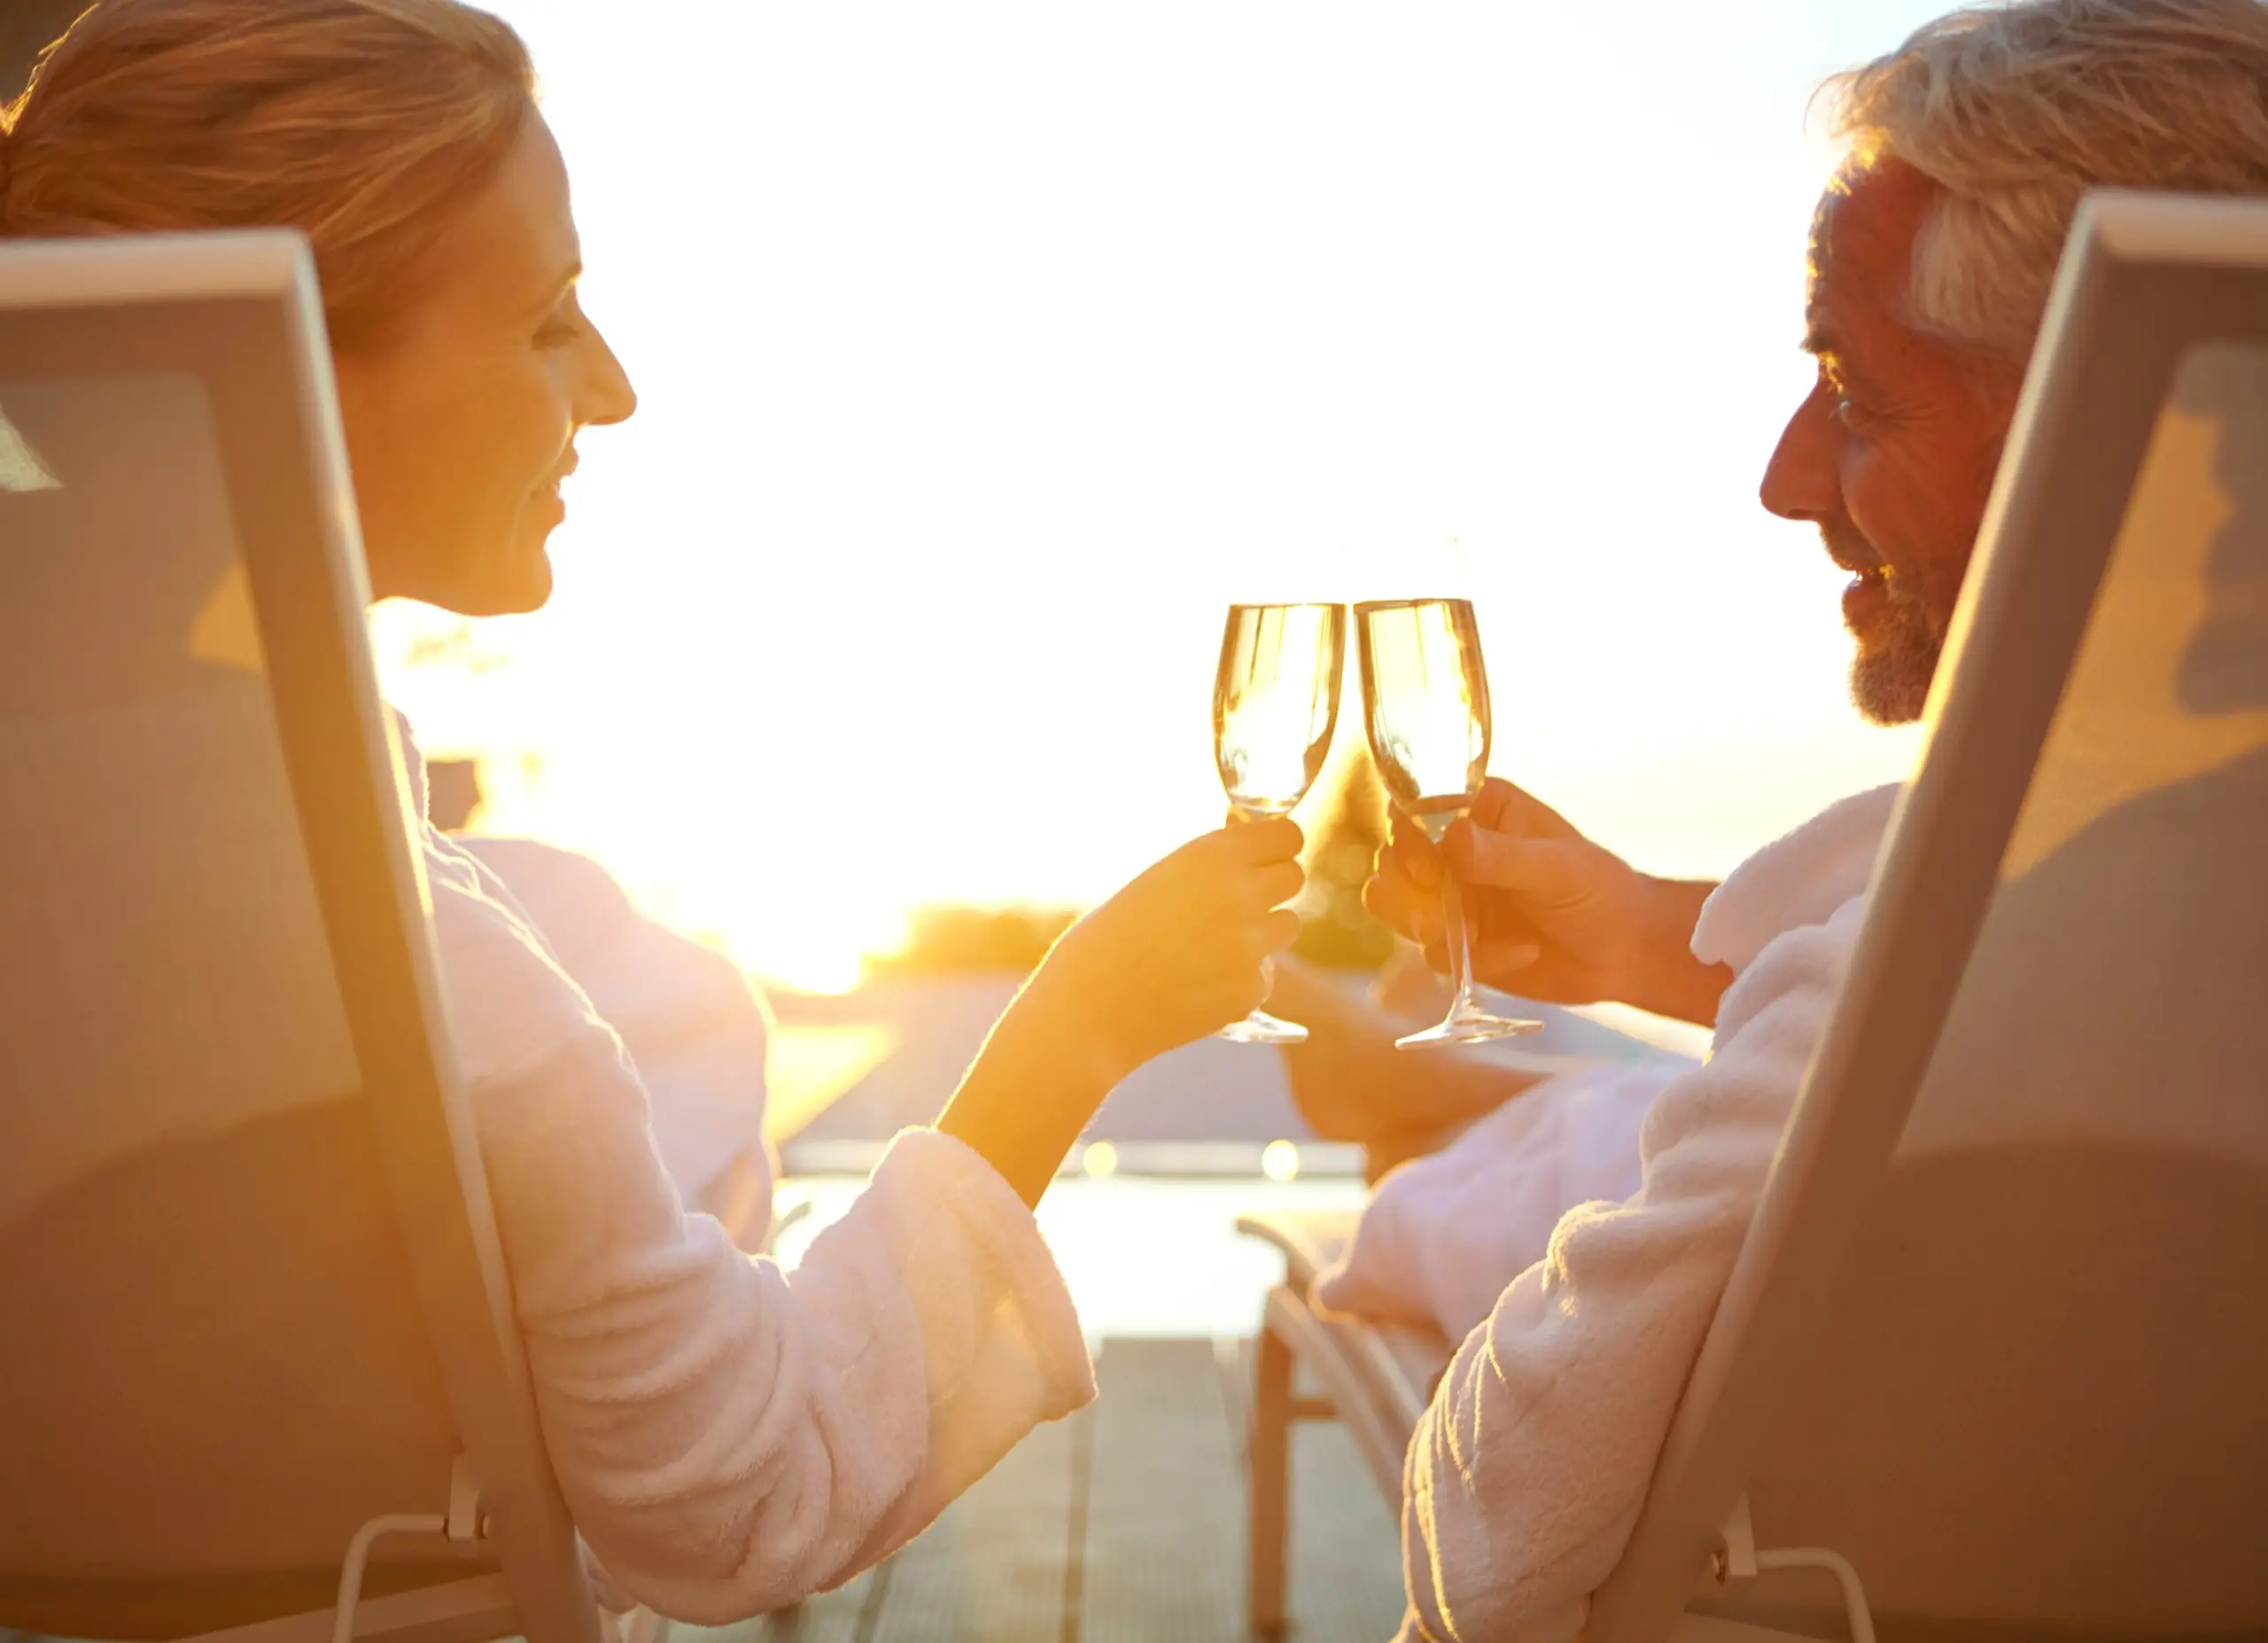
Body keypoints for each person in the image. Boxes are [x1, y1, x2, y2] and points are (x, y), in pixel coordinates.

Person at [0, 0, 1308, 1620]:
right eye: (551, 317)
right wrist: (1078, 1027)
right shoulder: (439, 979)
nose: (611, 391)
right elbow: (741, 1499)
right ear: (306, 376)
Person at [1310, 3, 2268, 1637]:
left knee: (1497, 1176)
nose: (1785, 475)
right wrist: (1639, 934)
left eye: (1855, 390)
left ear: (2096, 429)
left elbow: (1498, 1540)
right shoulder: (2162, 923)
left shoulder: (1886, 985)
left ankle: (1408, 1101)